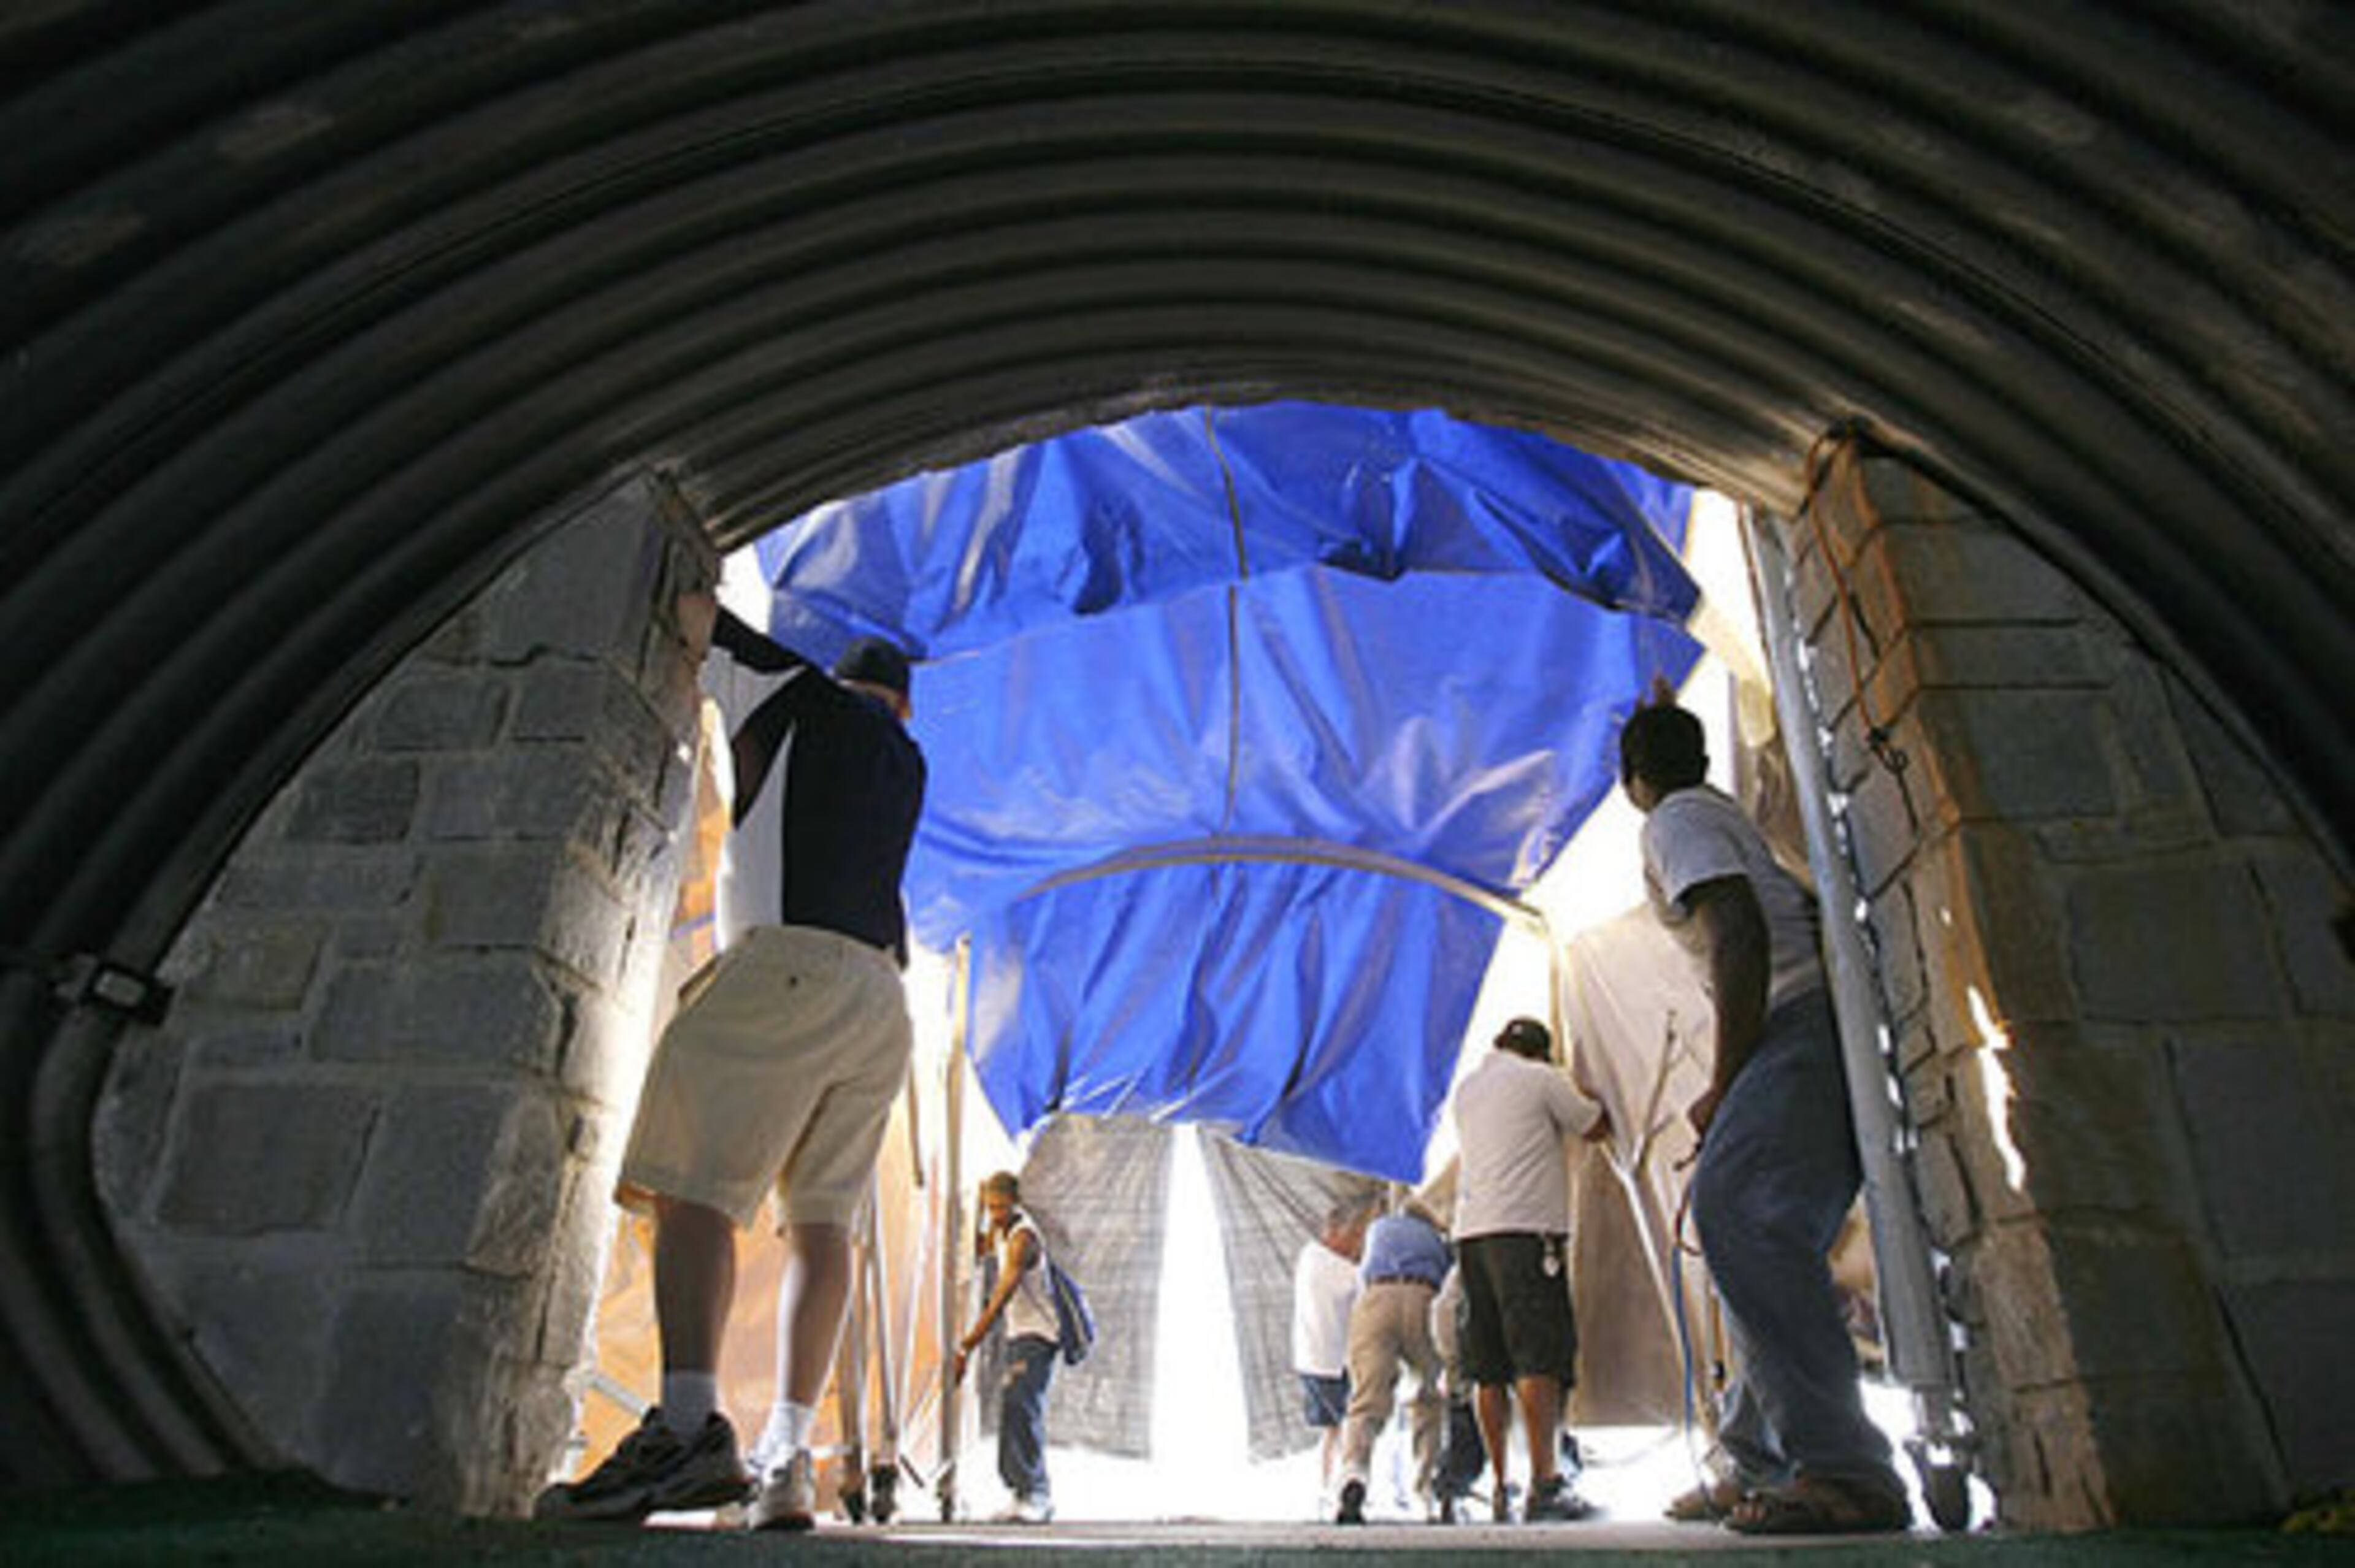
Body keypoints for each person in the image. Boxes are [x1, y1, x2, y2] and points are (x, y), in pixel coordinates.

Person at [534, 591, 926, 1532]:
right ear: (902, 707)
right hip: (881, 1000)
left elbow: (688, 606)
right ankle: (790, 1459)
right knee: (822, 1224)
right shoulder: (907, 764)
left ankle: (683, 1427)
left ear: (844, 681)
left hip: (785, 968)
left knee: (691, 1189)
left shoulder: (793, 690)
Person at [1620, 695, 1910, 1535]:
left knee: (1739, 1213)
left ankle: (1846, 1472)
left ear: (1633, 779)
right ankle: (1756, 1456)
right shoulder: (1716, 810)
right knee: (1764, 1237)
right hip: (1812, 1026)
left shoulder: (1675, 820)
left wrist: (1725, 1076)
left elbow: (1738, 933)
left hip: (1790, 1025)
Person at [1450, 1015, 1610, 1523]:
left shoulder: (1469, 1089)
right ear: (1541, 1053)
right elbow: (1596, 1124)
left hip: (1471, 1234)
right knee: (1537, 1354)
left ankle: (1502, 1485)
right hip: (1525, 1232)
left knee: (1488, 1363)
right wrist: (1580, 1081)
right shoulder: (1541, 1079)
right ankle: (1545, 1483)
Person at [1333, 1193, 1450, 1524]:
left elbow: (1362, 1268)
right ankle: (1425, 1492)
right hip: (1424, 1298)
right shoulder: (1436, 1238)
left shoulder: (1380, 1228)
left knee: (1366, 1401)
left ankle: (1354, 1474)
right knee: (1429, 1399)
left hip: (1376, 1299)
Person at [953, 1171, 1060, 1523]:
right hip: (1020, 1333)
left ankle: (1037, 1493)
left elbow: (1001, 1296)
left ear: (1016, 1202)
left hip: (1039, 1335)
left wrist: (968, 1344)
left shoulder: (1022, 1238)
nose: (996, 1214)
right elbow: (979, 1247)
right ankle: (1021, 1491)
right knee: (1013, 1407)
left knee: (1022, 1405)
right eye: (990, 1208)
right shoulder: (1000, 1232)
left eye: (1001, 1207)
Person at [1291, 1199, 1368, 1513]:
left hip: (1313, 1358)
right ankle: (1342, 1488)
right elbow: (1362, 1285)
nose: (1356, 1247)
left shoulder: (1310, 1258)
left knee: (1332, 1429)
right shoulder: (1326, 1262)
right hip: (1330, 1360)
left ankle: (1327, 1488)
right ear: (1335, 1233)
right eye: (1355, 1239)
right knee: (1346, 1426)